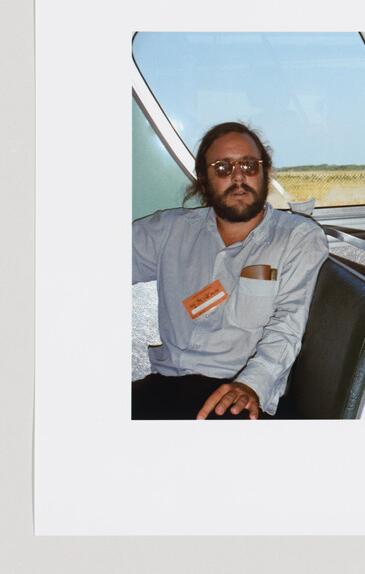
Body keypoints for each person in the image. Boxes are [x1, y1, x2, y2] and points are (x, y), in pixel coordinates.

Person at [132, 122, 328, 420]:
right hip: (163, 385)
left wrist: (251, 385)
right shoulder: (168, 231)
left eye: (250, 165)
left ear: (264, 172)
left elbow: (288, 324)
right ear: (203, 178)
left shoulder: (297, 237)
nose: (239, 177)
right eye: (223, 168)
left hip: (237, 393)